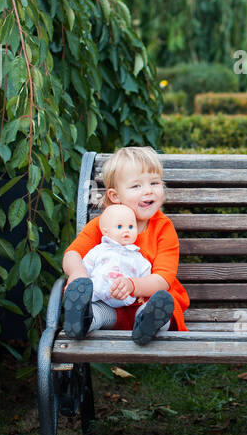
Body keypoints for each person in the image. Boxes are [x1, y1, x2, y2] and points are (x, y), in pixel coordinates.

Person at [60, 146, 191, 343]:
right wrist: (79, 274)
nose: (148, 190)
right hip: (110, 306)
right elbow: (72, 254)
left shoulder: (163, 228)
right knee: (98, 311)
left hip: (147, 300)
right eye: (136, 186)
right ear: (115, 196)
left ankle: (149, 322)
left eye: (154, 182)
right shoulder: (102, 224)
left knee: (164, 303)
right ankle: (82, 321)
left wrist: (132, 285)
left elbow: (163, 279)